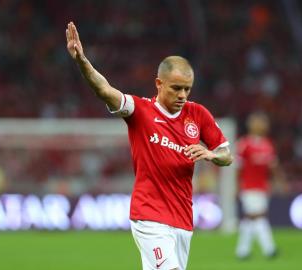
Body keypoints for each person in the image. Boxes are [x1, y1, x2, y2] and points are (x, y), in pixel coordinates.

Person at [66, 21, 233, 270]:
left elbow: (227, 155)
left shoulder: (198, 115)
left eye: (187, 89)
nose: (182, 95)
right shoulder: (140, 111)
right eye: (176, 88)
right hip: (149, 217)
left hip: (183, 220)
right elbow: (104, 90)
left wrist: (210, 154)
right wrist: (82, 60)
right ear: (159, 84)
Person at [235, 112, 279, 259]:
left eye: (263, 122)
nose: (261, 125)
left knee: (250, 218)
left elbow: (272, 168)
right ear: (251, 125)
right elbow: (238, 168)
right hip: (249, 186)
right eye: (257, 122)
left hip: (262, 187)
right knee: (257, 216)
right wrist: (237, 186)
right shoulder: (244, 144)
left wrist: (276, 182)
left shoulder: (268, 144)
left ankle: (242, 251)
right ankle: (270, 249)